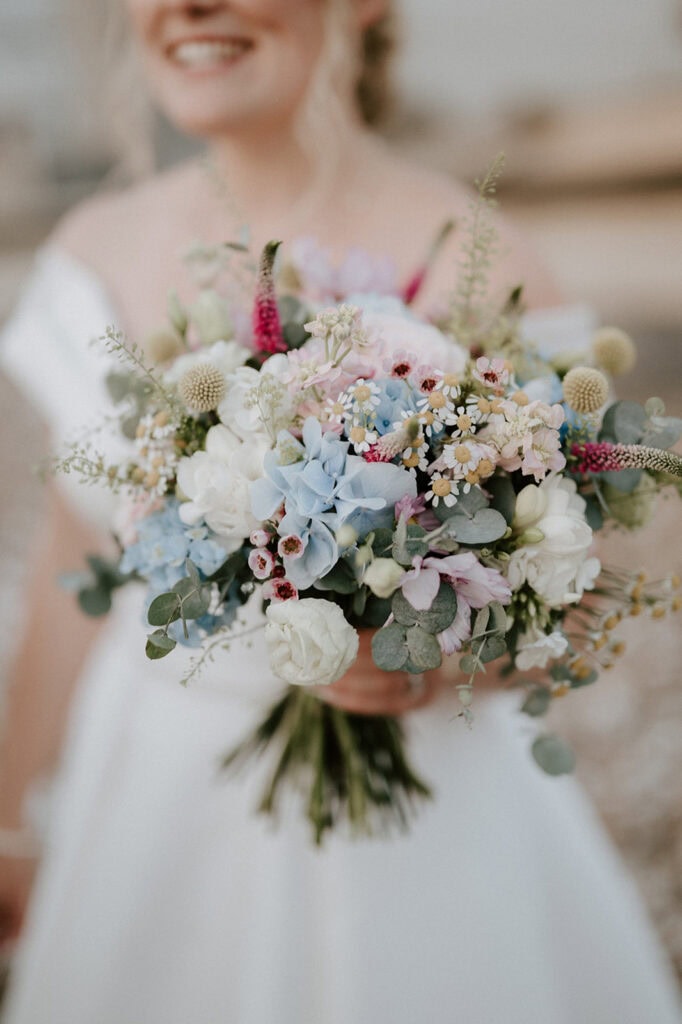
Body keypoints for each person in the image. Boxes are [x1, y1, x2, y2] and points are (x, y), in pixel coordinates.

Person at [0, 1, 680, 1021]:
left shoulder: (481, 264)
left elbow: (564, 605)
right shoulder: (92, 249)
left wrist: (445, 658)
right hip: (150, 804)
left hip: (431, 837)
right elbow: (72, 565)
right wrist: (7, 815)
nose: (189, 5)